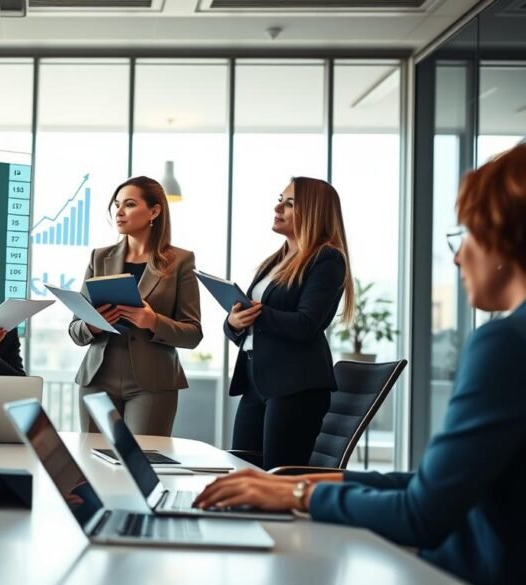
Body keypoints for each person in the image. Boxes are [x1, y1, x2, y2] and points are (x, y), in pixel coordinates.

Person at [195, 144, 526, 585]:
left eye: (468, 232)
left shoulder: (505, 344)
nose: (457, 256)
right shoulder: (275, 261)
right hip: (260, 380)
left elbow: (422, 512)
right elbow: (434, 486)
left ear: (509, 237)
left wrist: (299, 492)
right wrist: (308, 486)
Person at [225, 177, 355, 470]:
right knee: (242, 470)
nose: (278, 207)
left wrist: (257, 313)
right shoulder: (277, 260)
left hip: (295, 386)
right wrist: (234, 321)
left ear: (313, 211)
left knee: (278, 477)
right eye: (280, 199)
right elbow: (246, 323)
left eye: (290, 203)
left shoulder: (327, 259)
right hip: (257, 380)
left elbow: (307, 324)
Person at [68, 176, 202, 437]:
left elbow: (193, 333)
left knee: (142, 467)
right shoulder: (100, 257)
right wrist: (91, 326)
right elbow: (75, 329)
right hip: (97, 379)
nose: (119, 212)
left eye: (129, 204)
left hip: (152, 384)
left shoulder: (180, 261)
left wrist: (153, 321)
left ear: (154, 211)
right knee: (95, 464)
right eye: (116, 204)